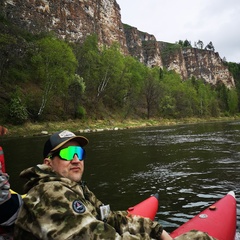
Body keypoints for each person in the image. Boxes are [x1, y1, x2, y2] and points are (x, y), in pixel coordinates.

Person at [13, 130, 173, 240]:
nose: (76, 160)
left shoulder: (79, 189)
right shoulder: (48, 192)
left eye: (79, 153)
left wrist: (155, 229)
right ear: (49, 164)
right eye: (67, 154)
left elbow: (109, 217)